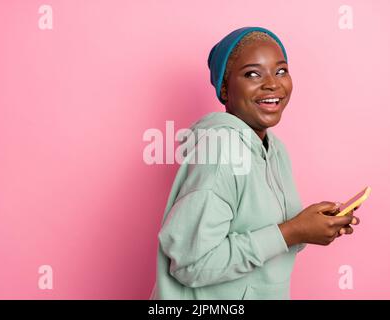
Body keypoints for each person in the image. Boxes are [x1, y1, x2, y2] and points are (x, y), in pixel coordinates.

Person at [149, 26, 360, 300]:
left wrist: (310, 227)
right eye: (252, 74)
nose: (273, 83)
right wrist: (291, 232)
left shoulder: (276, 151)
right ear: (224, 89)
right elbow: (191, 263)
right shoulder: (220, 154)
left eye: (281, 70)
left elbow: (269, 239)